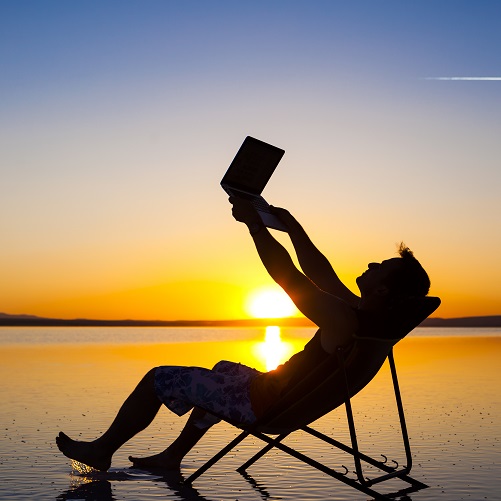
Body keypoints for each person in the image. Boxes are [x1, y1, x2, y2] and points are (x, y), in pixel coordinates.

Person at [56, 196, 430, 471]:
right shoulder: (364, 320)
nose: (372, 263)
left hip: (263, 406)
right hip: (275, 396)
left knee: (159, 378)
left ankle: (102, 450)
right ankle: (172, 457)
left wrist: (254, 225)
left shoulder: (345, 321)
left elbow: (290, 279)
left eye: (382, 266)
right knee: (223, 368)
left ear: (382, 290)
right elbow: (319, 271)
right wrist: (291, 226)